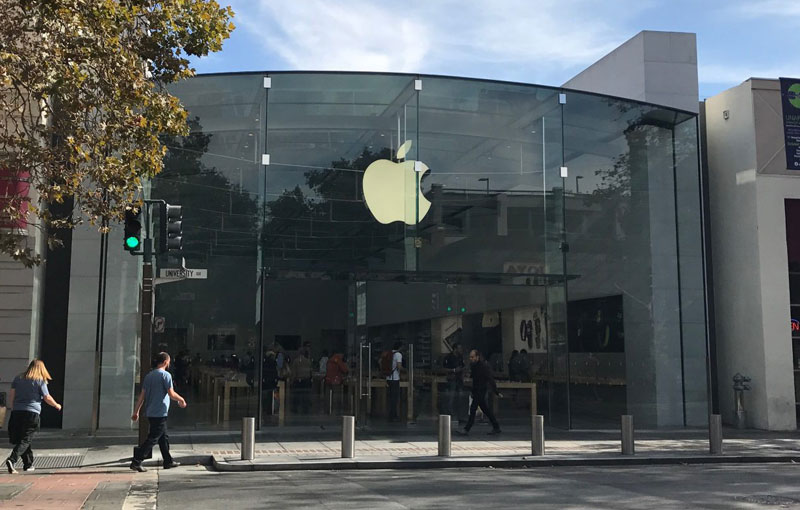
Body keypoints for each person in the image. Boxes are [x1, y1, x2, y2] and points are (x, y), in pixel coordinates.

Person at [130, 352, 187, 472]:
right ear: (166, 362)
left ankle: (168, 461)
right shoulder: (166, 375)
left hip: (151, 411)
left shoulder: (149, 376)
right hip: (160, 412)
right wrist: (181, 399)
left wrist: (136, 411)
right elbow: (171, 393)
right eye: (169, 362)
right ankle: (137, 461)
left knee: (163, 437)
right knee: (153, 438)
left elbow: (142, 396)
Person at [4, 360, 62, 474]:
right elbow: (47, 397)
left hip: (17, 411)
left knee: (23, 438)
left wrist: (12, 408)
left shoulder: (18, 378)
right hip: (32, 413)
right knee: (26, 439)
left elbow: (12, 395)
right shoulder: (40, 381)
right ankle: (12, 459)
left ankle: (28, 464)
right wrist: (57, 405)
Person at [456, 350, 502, 436]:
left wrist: (495, 391)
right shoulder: (474, 366)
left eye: (472, 357)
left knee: (473, 409)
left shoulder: (483, 367)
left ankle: (467, 429)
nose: (471, 359)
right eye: (470, 357)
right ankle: (496, 426)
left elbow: (490, 378)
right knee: (486, 410)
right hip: (477, 390)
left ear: (477, 357)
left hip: (481, 390)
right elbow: (473, 379)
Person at [442, 343, 465, 422]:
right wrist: (454, 370)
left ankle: (460, 415)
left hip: (459, 380)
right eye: (459, 348)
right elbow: (443, 368)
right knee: (451, 397)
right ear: (455, 349)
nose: (461, 350)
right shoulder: (448, 357)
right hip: (452, 379)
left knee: (460, 398)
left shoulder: (460, 357)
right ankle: (450, 414)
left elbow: (463, 366)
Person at [290, 347, 313, 414]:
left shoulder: (296, 361)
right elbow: (311, 371)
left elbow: (294, 372)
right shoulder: (308, 361)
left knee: (297, 395)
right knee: (305, 396)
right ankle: (305, 408)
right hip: (306, 380)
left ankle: (295, 409)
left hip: (298, 381)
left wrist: (292, 381)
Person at [386, 341, 403, 421]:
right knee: (395, 398)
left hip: (388, 378)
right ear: (400, 347)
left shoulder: (388, 353)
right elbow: (399, 366)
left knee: (390, 397)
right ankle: (393, 415)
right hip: (395, 378)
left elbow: (379, 361)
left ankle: (391, 414)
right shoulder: (398, 354)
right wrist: (404, 370)